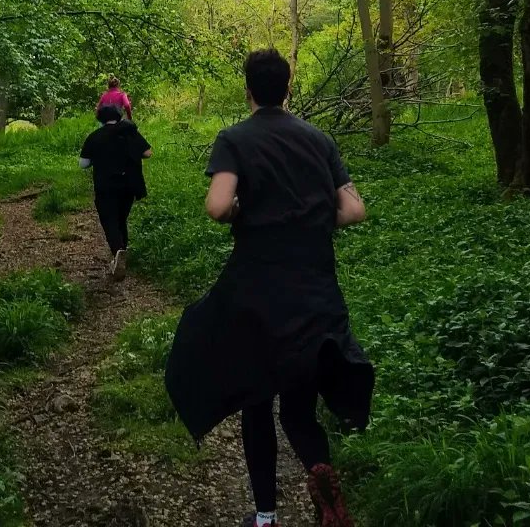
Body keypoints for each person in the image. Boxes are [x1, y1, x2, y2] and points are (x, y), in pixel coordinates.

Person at [164, 48, 373, 527]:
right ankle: (323, 479)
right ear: (289, 88)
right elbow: (355, 210)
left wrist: (245, 211)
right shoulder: (319, 139)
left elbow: (217, 206)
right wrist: (308, 220)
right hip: (315, 290)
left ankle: (265, 517)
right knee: (299, 411)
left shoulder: (235, 139)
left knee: (255, 402)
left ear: (248, 90)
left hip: (258, 295)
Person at [79, 104, 151, 280]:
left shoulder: (95, 137)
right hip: (129, 185)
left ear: (100, 119)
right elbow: (148, 153)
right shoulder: (129, 133)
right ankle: (122, 253)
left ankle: (118, 252)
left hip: (106, 186)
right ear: (119, 116)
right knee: (121, 219)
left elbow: (84, 164)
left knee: (109, 220)